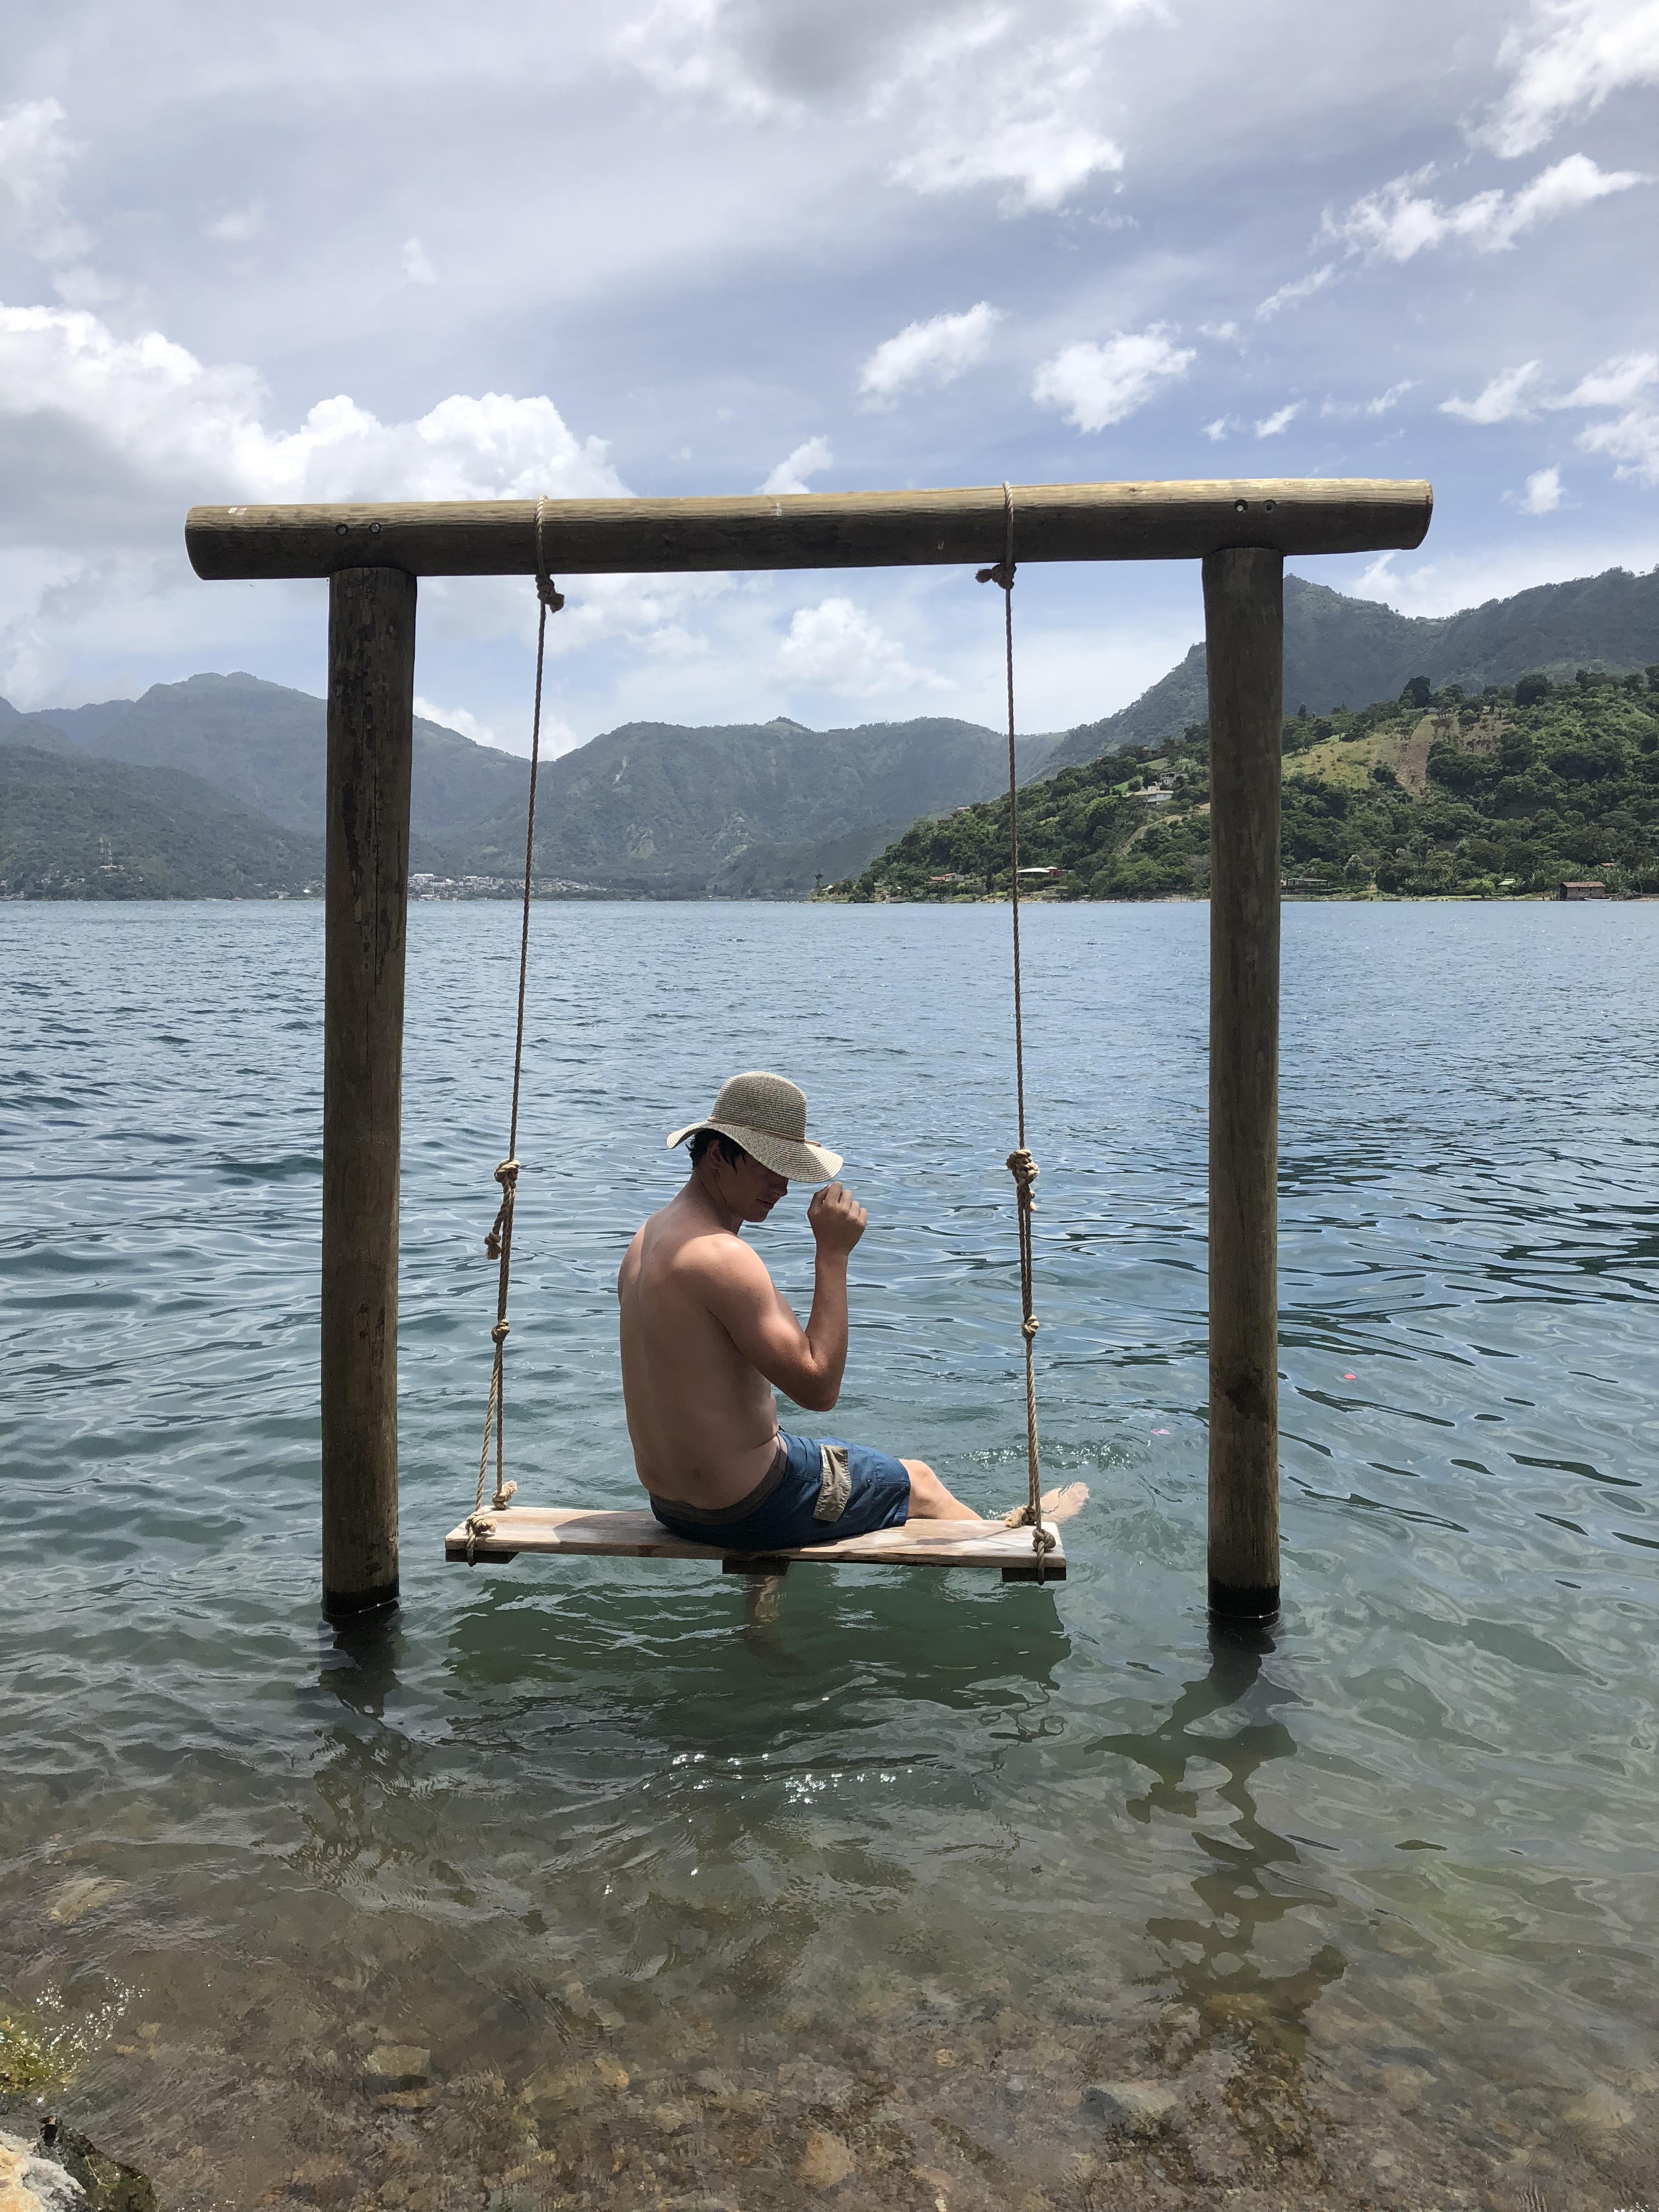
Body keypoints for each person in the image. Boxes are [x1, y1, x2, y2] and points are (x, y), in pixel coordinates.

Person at [617, 1070, 1087, 1551]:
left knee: (789, 1441)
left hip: (672, 1507)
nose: (782, 1187)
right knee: (920, 1481)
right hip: (747, 1509)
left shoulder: (647, 1239)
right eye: (770, 1167)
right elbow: (819, 1388)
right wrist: (833, 1253)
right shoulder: (722, 1257)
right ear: (717, 1154)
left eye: (788, 1170)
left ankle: (765, 1587)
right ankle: (1009, 1555)